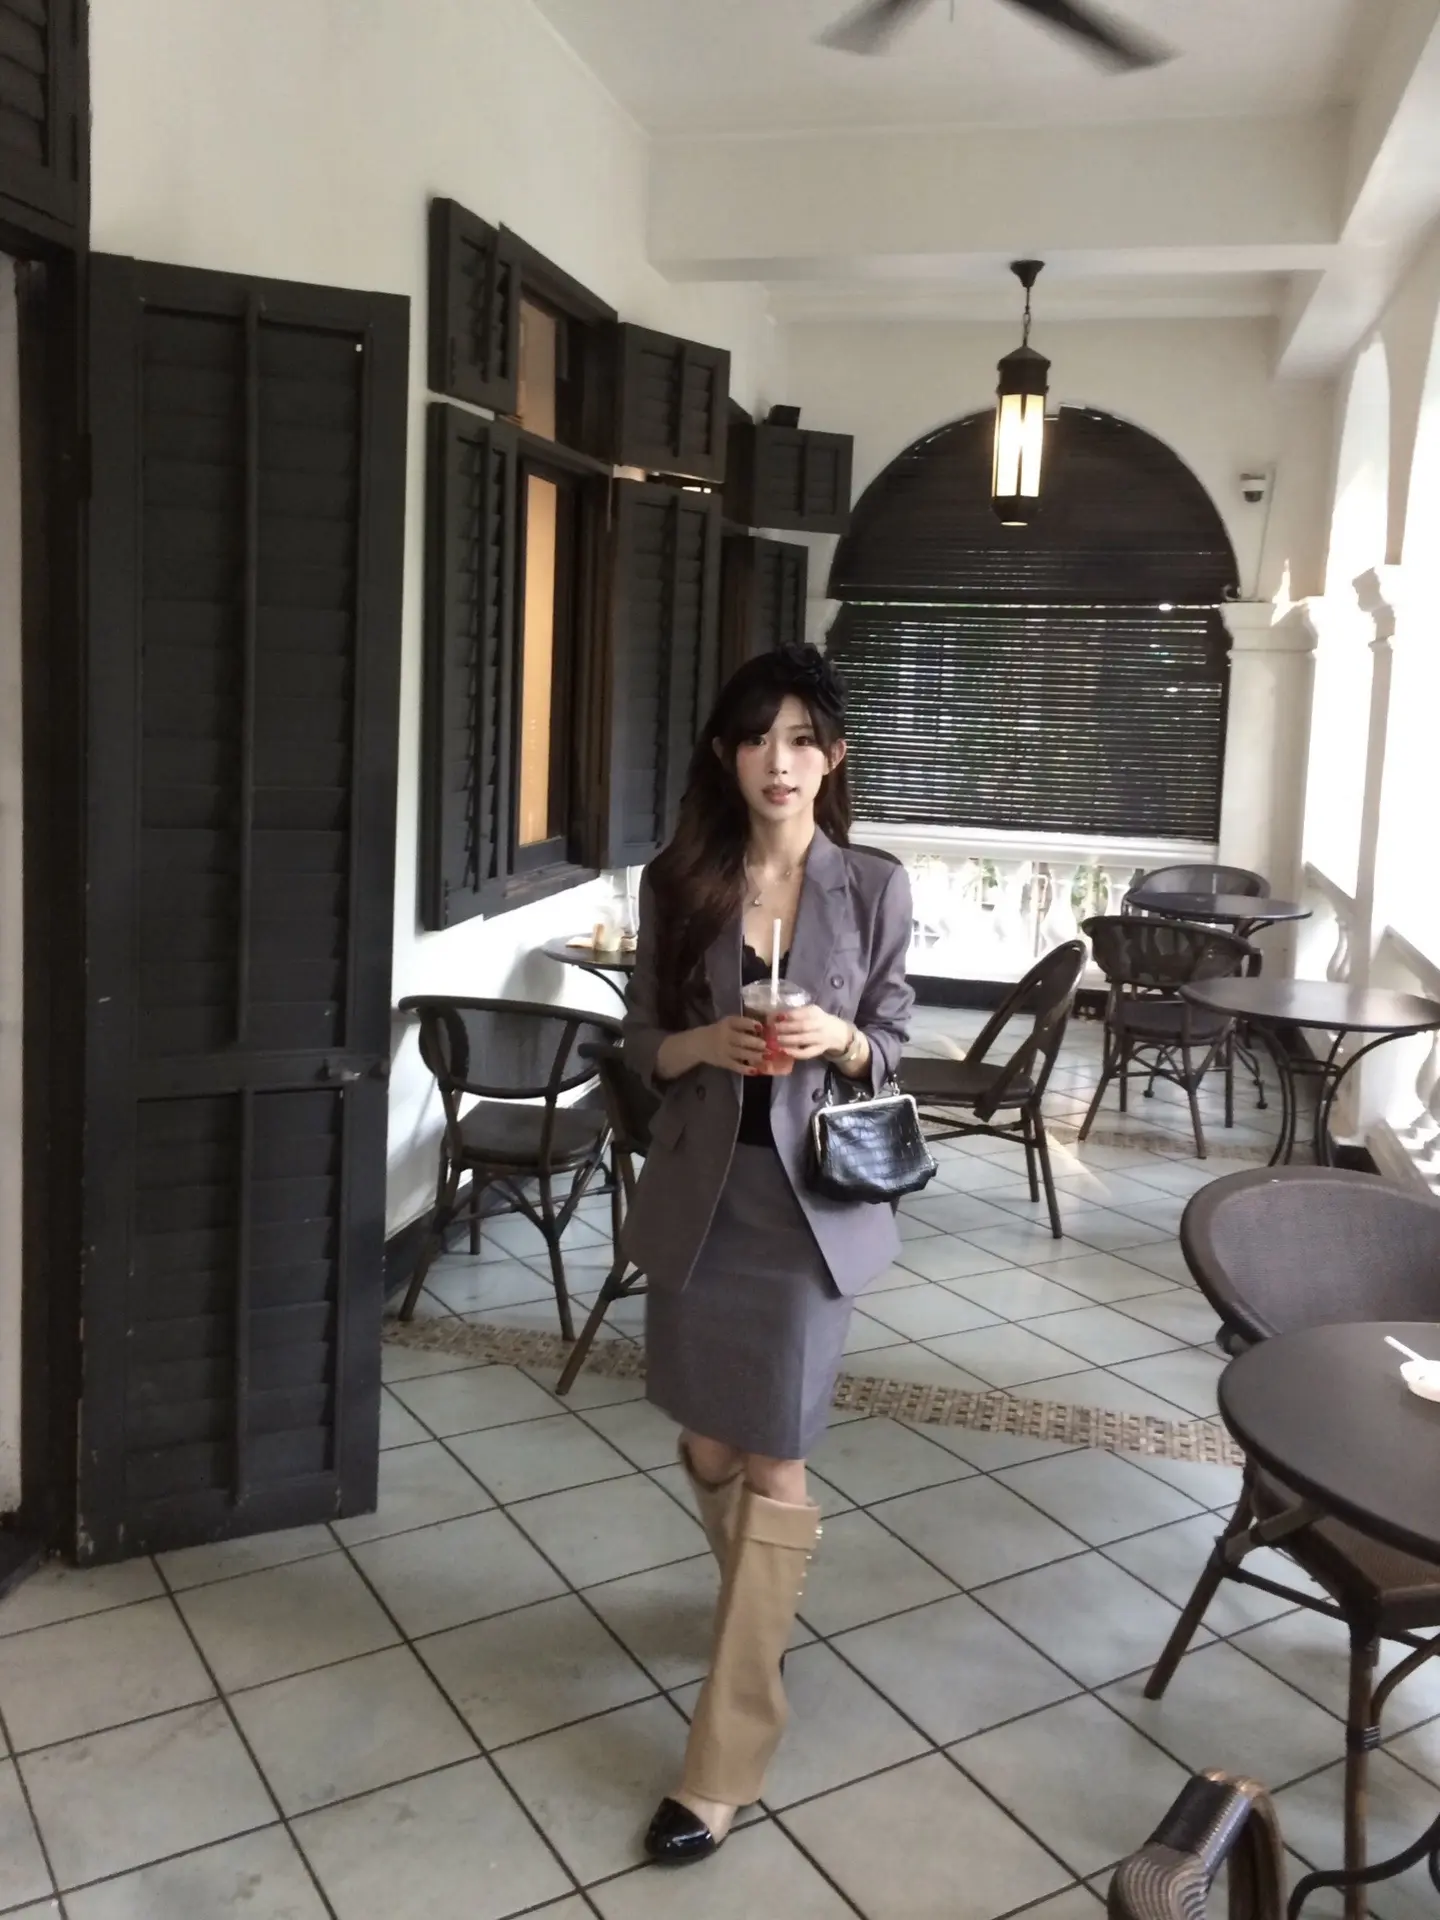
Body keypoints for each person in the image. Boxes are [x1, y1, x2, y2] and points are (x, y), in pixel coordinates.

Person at [621, 643, 915, 1867]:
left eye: (801, 739)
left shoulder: (873, 885)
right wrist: (706, 1044)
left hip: (806, 1215)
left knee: (776, 1458)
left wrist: (840, 1037)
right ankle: (762, 1605)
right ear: (726, 756)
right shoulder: (679, 881)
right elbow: (640, 1041)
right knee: (706, 1441)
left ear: (832, 757)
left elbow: (895, 1039)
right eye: (756, 738)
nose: (778, 761)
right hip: (704, 1198)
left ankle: (722, 1765)